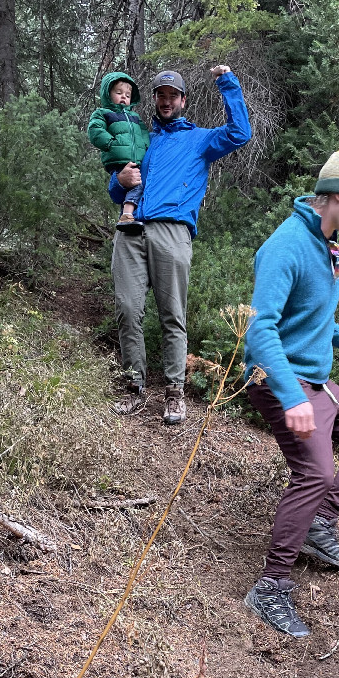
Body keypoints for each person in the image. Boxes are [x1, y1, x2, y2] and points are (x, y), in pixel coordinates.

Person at [242, 129, 339, 638]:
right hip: (279, 379)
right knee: (312, 473)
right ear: (335, 195)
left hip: (318, 381)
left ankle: (318, 522)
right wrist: (291, 396)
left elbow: (306, 316)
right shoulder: (286, 246)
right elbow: (260, 327)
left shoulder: (329, 246)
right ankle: (269, 587)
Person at [109, 66, 251, 425]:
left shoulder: (200, 140)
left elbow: (240, 132)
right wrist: (119, 179)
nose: (167, 100)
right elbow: (119, 189)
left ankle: (174, 393)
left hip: (172, 232)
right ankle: (133, 387)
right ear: (154, 99)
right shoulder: (141, 139)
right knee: (128, 310)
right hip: (130, 232)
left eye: (173, 95)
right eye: (161, 94)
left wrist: (227, 82)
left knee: (172, 316)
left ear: (183, 100)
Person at [87, 72, 151, 233]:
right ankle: (127, 215)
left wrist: (145, 146)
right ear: (108, 94)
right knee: (137, 185)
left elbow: (143, 133)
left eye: (127, 95)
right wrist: (110, 143)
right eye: (119, 93)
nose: (123, 97)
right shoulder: (103, 113)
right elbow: (95, 130)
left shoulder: (135, 117)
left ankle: (129, 215)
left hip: (134, 158)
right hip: (117, 158)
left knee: (136, 185)